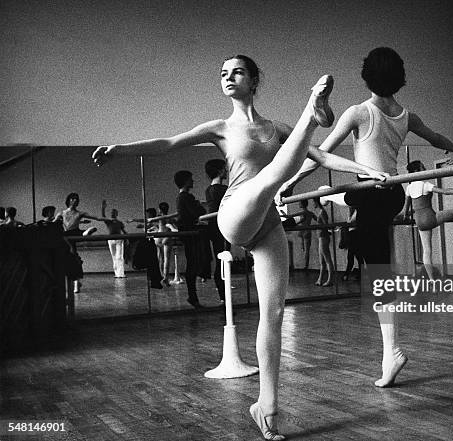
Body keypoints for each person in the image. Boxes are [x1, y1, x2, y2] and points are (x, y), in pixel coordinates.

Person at [92, 54, 386, 441]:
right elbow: (167, 143)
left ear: (253, 80)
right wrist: (119, 149)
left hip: (267, 224)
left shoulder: (275, 128)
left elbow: (320, 156)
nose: (229, 78)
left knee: (275, 313)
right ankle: (311, 111)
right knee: (273, 177)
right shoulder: (219, 128)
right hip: (236, 211)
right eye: (223, 74)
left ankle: (266, 406)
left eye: (237, 73)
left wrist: (366, 170)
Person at [280, 47, 453, 388]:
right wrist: (452, 150)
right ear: (399, 77)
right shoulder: (407, 115)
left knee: (376, 267)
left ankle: (391, 351)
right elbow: (437, 139)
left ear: (367, 76)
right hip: (390, 193)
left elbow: (321, 154)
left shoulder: (359, 112)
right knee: (369, 252)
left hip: (373, 191)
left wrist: (288, 181)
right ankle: (389, 349)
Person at [174, 170, 212, 308]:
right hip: (190, 234)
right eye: (191, 179)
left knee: (193, 264)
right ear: (185, 181)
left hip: (188, 233)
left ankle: (193, 296)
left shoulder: (182, 197)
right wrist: (198, 205)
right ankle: (192, 296)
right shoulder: (185, 197)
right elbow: (199, 212)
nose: (193, 181)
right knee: (193, 264)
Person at [59, 193, 109, 293]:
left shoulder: (79, 213)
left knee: (73, 256)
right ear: (69, 200)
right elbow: (55, 223)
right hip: (66, 236)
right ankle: (76, 281)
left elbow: (97, 218)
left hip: (73, 234)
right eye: (73, 199)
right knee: (72, 257)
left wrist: (108, 218)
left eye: (76, 199)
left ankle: (76, 282)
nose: (75, 201)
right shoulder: (62, 213)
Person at [205, 159, 230, 303]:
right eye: (225, 169)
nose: (226, 171)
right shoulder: (221, 190)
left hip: (215, 228)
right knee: (223, 262)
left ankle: (224, 297)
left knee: (221, 261)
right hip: (221, 229)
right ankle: (224, 298)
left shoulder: (209, 189)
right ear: (220, 171)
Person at [101, 200, 128, 278]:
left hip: (119, 239)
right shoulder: (108, 221)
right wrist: (103, 208)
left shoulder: (119, 222)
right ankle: (116, 273)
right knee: (114, 256)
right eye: (111, 212)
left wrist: (127, 239)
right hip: (111, 240)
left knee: (119, 256)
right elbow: (103, 216)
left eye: (114, 212)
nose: (112, 213)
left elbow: (124, 231)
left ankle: (121, 274)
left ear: (116, 214)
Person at [154, 201, 178, 286]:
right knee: (166, 259)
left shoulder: (159, 218)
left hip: (159, 237)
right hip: (167, 237)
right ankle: (165, 278)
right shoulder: (170, 218)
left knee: (160, 258)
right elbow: (174, 225)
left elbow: (154, 224)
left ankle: (162, 276)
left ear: (160, 210)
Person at [312, 198, 334, 286]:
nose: (313, 204)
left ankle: (330, 280)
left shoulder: (322, 212)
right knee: (322, 261)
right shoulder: (320, 212)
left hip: (324, 237)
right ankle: (320, 279)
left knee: (327, 259)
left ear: (317, 202)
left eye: (313, 202)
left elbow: (326, 225)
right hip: (321, 237)